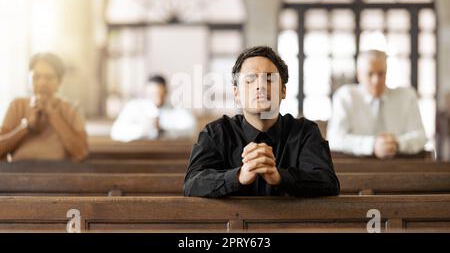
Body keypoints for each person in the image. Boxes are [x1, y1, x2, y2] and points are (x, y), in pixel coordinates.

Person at [184, 46, 340, 197]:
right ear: (236, 93)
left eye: (270, 79)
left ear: (283, 91)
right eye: (250, 80)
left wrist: (279, 176)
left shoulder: (305, 132)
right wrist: (239, 176)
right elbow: (192, 184)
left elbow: (328, 183)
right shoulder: (216, 133)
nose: (260, 86)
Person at [327, 49, 427, 159]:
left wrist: (397, 144)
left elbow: (421, 137)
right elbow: (334, 139)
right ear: (359, 75)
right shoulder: (345, 97)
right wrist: (372, 144)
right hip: (357, 169)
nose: (376, 80)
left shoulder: (407, 96)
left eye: (381, 74)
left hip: (401, 167)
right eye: (370, 74)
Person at [0, 53, 88, 162]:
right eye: (36, 77)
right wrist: (26, 126)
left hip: (59, 176)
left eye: (49, 77)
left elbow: (81, 153)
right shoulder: (17, 105)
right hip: (18, 175)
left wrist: (53, 115)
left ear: (59, 82)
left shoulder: (72, 109)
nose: (42, 83)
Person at [110, 75, 196, 142]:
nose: (157, 98)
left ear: (166, 92)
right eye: (153, 94)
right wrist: (143, 129)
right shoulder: (134, 107)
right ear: (146, 92)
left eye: (160, 94)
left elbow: (191, 130)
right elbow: (116, 132)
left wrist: (164, 130)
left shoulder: (178, 109)